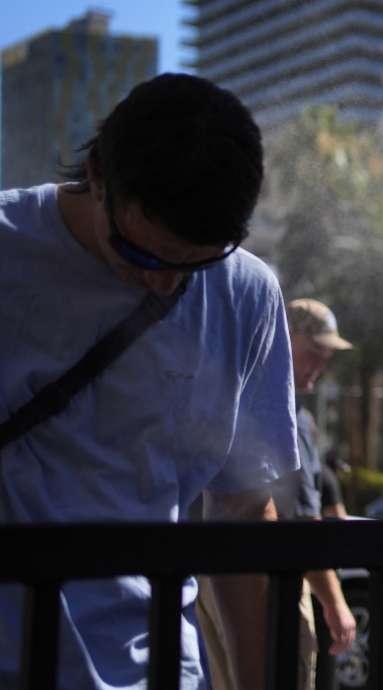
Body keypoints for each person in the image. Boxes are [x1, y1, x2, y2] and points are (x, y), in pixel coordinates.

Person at [0, 73, 297, 689]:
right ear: (99, 178)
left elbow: (243, 517)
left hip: (162, 669)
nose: (165, 283)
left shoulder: (247, 292)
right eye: (143, 255)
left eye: (196, 261)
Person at [197, 298, 357, 690]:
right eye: (314, 352)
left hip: (214, 579)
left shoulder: (238, 396)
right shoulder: (286, 415)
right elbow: (302, 528)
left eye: (327, 356)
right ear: (285, 338)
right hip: (268, 585)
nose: (320, 365)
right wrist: (336, 606)